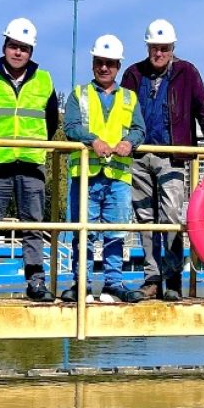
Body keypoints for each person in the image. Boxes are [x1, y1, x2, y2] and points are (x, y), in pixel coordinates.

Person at [121, 19, 204, 301]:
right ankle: (152, 279)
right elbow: (121, 113)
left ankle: (174, 279)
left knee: (170, 218)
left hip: (173, 156)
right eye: (154, 48)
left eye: (164, 48)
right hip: (139, 155)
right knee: (145, 219)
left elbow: (202, 108)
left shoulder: (187, 73)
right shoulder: (133, 74)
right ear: (147, 47)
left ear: (172, 48)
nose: (159, 53)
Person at [0, 18, 60, 303]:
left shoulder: (45, 80)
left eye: (24, 48)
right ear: (4, 46)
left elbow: (51, 121)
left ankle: (36, 282)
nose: (18, 52)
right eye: (14, 46)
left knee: (33, 225)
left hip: (31, 163)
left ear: (31, 52)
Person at [61, 35, 146, 303]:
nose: (104, 68)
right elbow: (71, 127)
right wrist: (92, 141)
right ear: (93, 63)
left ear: (118, 66)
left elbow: (139, 130)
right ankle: (81, 285)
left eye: (110, 63)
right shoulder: (79, 94)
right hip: (85, 176)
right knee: (83, 231)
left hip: (118, 176)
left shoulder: (129, 98)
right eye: (100, 62)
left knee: (116, 232)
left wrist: (128, 143)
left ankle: (113, 284)